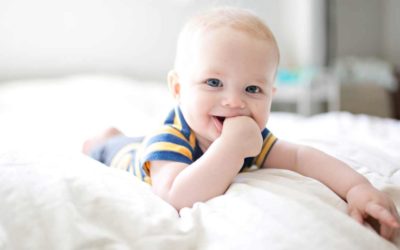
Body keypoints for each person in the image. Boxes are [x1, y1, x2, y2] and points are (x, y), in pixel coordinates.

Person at [83, 7, 400, 240]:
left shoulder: (252, 135)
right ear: (178, 89)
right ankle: (106, 138)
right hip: (129, 156)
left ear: (271, 96)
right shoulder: (170, 137)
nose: (234, 102)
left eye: (252, 89)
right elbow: (175, 196)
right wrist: (230, 149)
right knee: (114, 146)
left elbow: (302, 157)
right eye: (213, 82)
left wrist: (359, 189)